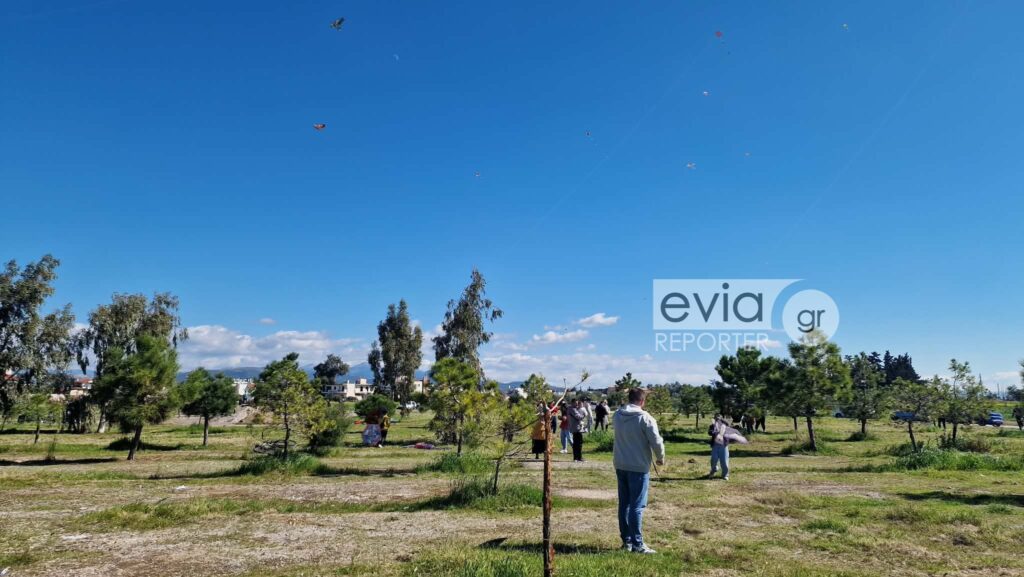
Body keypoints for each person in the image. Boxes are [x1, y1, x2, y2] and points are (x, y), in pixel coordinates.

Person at [612, 388, 665, 554]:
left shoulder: (617, 415)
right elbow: (656, 441)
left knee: (624, 504)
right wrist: (660, 457)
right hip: (638, 466)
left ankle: (627, 541)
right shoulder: (645, 418)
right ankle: (637, 544)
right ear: (642, 401)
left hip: (620, 463)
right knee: (637, 505)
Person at [708, 415, 735, 480]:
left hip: (723, 446)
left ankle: (725, 475)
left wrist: (721, 419)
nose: (717, 420)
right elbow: (709, 432)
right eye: (716, 419)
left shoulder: (725, 425)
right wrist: (713, 431)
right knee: (713, 459)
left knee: (724, 461)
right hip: (715, 445)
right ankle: (714, 470)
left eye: (719, 419)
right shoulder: (712, 426)